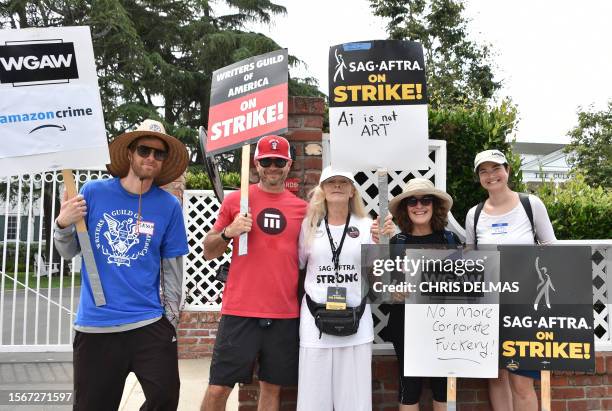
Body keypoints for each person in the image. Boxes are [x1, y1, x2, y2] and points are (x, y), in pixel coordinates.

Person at [54, 119, 190, 410]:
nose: (151, 158)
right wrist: (63, 223)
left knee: (165, 398)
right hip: (97, 327)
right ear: (130, 153)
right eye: (144, 150)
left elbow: (172, 271)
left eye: (159, 153)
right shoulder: (93, 192)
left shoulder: (168, 207)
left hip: (149, 323)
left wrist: (171, 320)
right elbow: (68, 252)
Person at [201, 135, 307, 411]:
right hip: (240, 311)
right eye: (266, 161)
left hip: (284, 313)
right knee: (217, 388)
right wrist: (228, 232)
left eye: (279, 161)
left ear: (289, 165)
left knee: (271, 389)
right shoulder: (237, 200)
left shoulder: (302, 209)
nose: (273, 166)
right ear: (256, 164)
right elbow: (208, 251)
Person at [465, 149, 556, 411]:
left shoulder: (531, 204)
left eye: (496, 169)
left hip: (525, 308)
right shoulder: (475, 214)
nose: (491, 175)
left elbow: (551, 250)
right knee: (496, 377)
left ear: (507, 171)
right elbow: (472, 258)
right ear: (478, 177)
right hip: (489, 307)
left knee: (522, 382)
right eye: (484, 171)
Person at [296, 167, 374, 411]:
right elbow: (299, 264)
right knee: (313, 400)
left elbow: (379, 273)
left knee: (355, 402)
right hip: (315, 324)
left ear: (352, 191)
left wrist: (384, 244)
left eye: (344, 182)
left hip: (356, 322)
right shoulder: (309, 225)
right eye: (331, 182)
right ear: (323, 189)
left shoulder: (366, 225)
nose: (337, 186)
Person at [377, 178, 458, 411]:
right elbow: (379, 288)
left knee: (444, 388)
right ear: (405, 207)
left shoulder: (451, 240)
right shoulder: (396, 243)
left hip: (445, 327)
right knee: (409, 389)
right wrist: (394, 292)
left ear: (435, 206)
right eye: (412, 200)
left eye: (426, 200)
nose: (419, 205)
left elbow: (466, 287)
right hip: (407, 326)